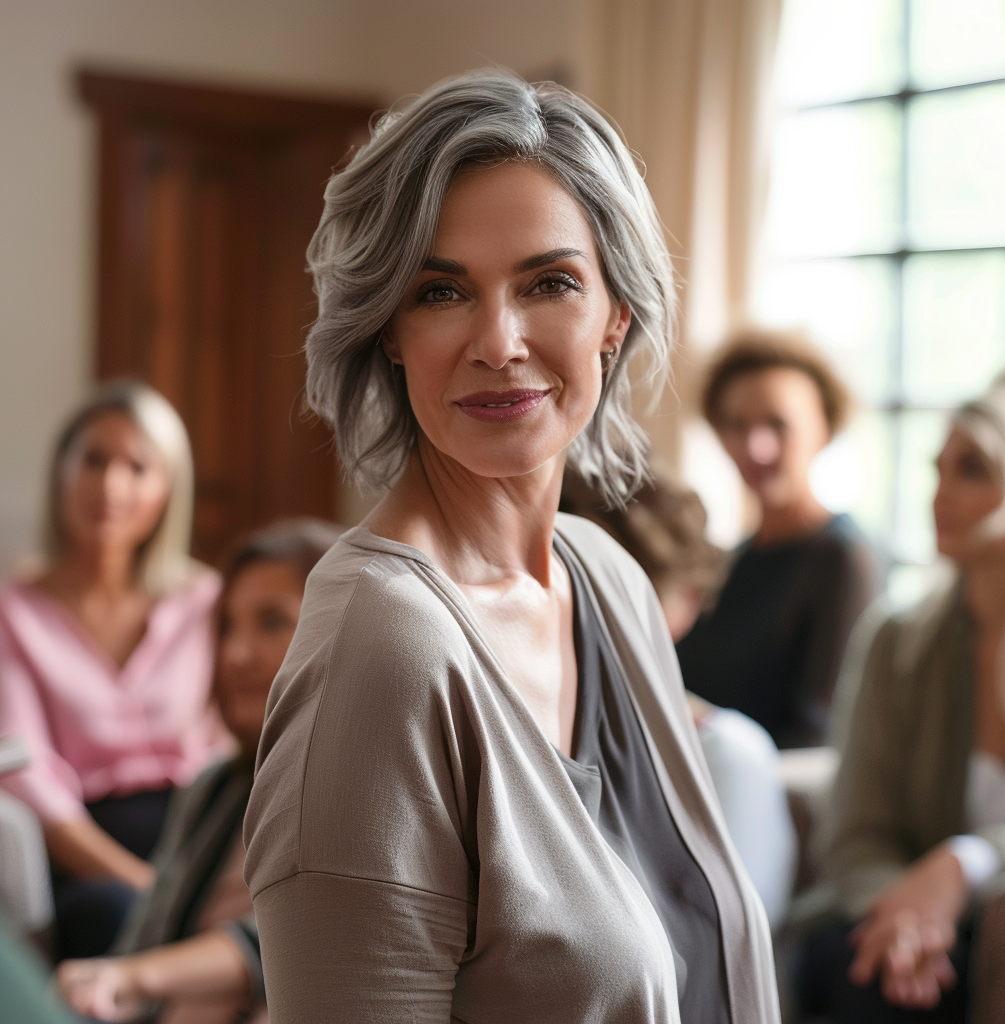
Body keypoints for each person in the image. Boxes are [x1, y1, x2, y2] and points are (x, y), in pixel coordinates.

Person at [243, 70, 779, 1023]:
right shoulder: (383, 649)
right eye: (442, 290)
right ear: (391, 331)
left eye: (550, 283)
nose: (498, 341)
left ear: (616, 314)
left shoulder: (610, 581)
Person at [801, 368, 1005, 1022]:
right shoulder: (898, 641)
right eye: (938, 468)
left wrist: (966, 864)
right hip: (894, 918)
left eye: (973, 469)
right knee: (874, 974)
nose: (940, 493)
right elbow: (855, 833)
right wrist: (907, 917)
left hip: (999, 919)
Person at [57, 518, 340, 1024]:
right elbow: (144, 936)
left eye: (271, 621)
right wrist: (107, 982)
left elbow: (303, 938)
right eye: (227, 627)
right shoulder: (213, 786)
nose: (235, 654)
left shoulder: (355, 783)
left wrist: (133, 977)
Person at [0, 381, 229, 960]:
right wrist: (149, 888)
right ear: (61, 471)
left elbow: (239, 741)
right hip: (86, 861)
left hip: (206, 837)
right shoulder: (12, 610)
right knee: (116, 918)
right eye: (93, 460)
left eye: (137, 466)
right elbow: (22, 771)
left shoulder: (207, 601)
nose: (111, 485)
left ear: (169, 488)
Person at [560, 470, 798, 930]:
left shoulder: (727, 755)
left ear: (687, 601)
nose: (594, 615)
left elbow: (733, 935)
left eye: (629, 594)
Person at [676, 328, 877, 748]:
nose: (756, 447)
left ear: (824, 428)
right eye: (736, 425)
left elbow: (821, 735)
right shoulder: (726, 563)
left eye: (778, 425)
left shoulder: (842, 559)